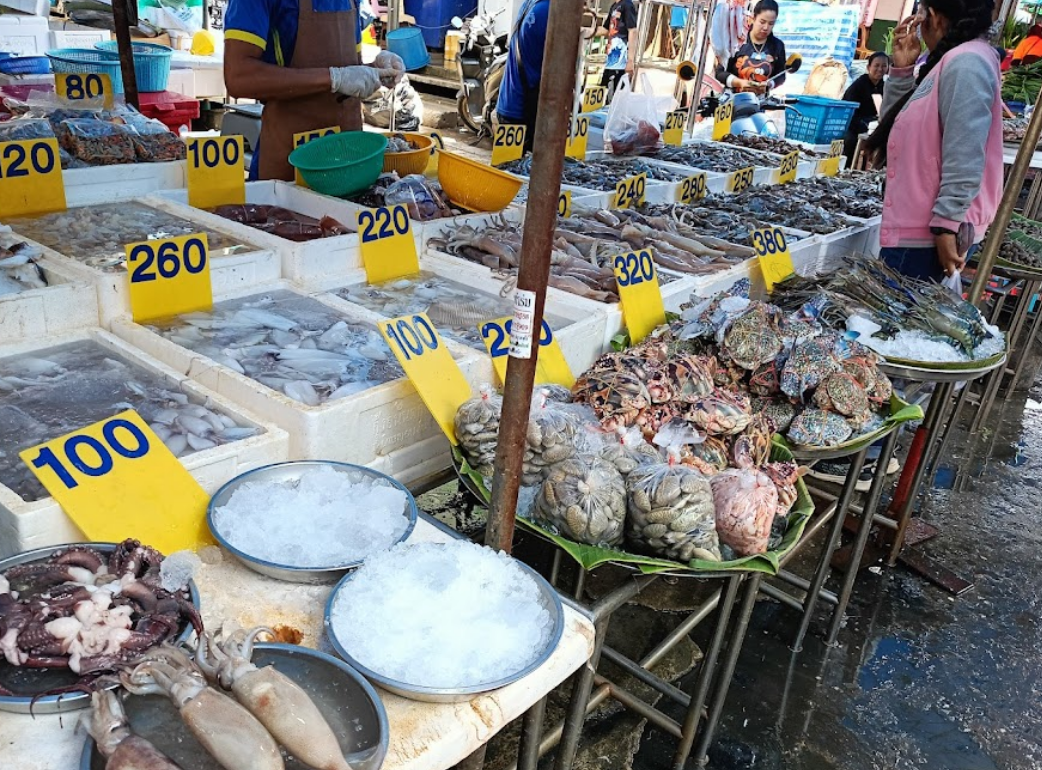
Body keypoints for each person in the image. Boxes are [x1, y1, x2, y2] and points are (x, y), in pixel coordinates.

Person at [865, 0, 1002, 282]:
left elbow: (966, 151)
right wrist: (902, 70)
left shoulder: (967, 62)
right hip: (918, 230)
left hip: (925, 239)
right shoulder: (954, 60)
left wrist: (945, 225)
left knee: (898, 310)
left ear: (935, 18)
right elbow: (897, 125)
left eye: (920, 14)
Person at [223, 0, 405, 181]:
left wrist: (374, 71)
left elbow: (349, 67)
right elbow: (239, 77)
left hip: (348, 158)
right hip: (289, 165)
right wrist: (334, 78)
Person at [496, 0, 551, 152]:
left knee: (508, 164)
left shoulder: (530, 4)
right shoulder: (552, 12)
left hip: (508, 102)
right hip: (525, 110)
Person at [720, 0, 786, 93]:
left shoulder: (777, 46)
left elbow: (781, 75)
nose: (766, 27)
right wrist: (739, 82)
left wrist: (770, 84)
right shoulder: (737, 40)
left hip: (762, 100)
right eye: (762, 22)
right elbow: (720, 72)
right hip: (733, 98)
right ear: (753, 18)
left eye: (771, 24)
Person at [841, 52, 889, 163]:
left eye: (884, 66)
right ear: (868, 67)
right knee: (851, 140)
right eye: (876, 65)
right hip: (853, 125)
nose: (880, 69)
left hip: (872, 124)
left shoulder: (884, 87)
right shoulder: (858, 86)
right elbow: (848, 111)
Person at [599, 0, 638, 100]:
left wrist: (630, 60)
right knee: (604, 91)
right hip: (611, 59)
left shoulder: (627, 5)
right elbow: (606, 29)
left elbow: (633, 31)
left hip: (621, 60)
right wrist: (587, 31)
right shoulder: (614, 6)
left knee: (615, 95)